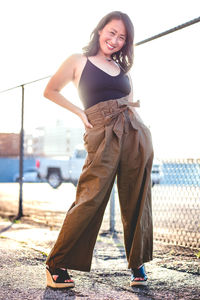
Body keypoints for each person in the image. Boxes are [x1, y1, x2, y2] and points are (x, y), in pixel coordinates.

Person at [44, 11, 154, 289]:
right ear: (100, 30)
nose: (115, 40)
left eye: (122, 37)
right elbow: (51, 90)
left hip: (134, 130)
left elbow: (128, 101)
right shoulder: (77, 61)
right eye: (112, 32)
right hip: (101, 130)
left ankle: (137, 264)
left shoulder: (122, 70)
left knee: (136, 195)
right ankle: (56, 262)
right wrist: (80, 113)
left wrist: (140, 131)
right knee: (90, 196)